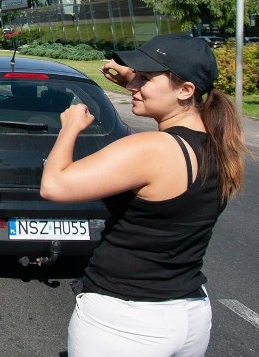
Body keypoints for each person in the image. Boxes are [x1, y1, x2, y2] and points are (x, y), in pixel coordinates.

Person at [40, 33, 247, 357]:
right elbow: (169, 103)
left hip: (127, 320)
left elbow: (54, 186)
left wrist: (69, 128)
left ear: (185, 90)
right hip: (188, 314)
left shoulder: (153, 149)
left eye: (146, 78)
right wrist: (136, 81)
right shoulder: (217, 145)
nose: (134, 84)